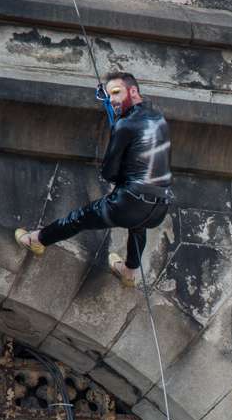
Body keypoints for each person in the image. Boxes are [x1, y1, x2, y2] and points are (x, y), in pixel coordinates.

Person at [15, 71, 171, 287]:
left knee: (80, 218)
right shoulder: (158, 118)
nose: (113, 99)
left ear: (133, 91)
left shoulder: (124, 125)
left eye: (117, 92)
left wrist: (118, 135)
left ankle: (37, 240)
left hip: (128, 203)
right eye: (110, 95)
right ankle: (129, 271)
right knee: (138, 223)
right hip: (160, 207)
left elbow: (109, 172)